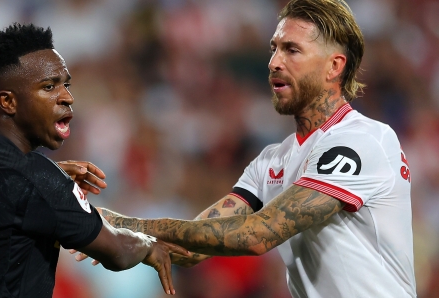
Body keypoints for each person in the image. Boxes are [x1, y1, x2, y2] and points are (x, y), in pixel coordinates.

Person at [83, 0, 417, 297]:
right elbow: (193, 249)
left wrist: (130, 225)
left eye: (292, 50)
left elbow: (259, 234)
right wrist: (97, 230)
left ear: (334, 66)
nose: (273, 62)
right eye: (274, 48)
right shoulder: (270, 161)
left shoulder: (364, 140)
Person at [0, 23, 188, 298]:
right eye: (49, 86)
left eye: (66, 84)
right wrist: (148, 245)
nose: (67, 97)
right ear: (8, 102)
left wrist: (44, 183)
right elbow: (118, 253)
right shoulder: (34, 178)